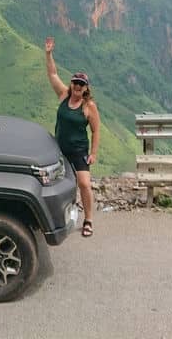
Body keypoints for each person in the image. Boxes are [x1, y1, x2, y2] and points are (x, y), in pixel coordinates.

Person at [45, 36, 101, 237]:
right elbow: (52, 73)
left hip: (78, 151)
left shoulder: (89, 107)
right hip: (60, 149)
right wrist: (49, 53)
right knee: (60, 184)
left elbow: (96, 130)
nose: (77, 86)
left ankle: (88, 220)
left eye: (81, 84)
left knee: (84, 183)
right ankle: (62, 216)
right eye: (75, 82)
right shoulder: (63, 96)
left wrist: (93, 154)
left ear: (86, 88)